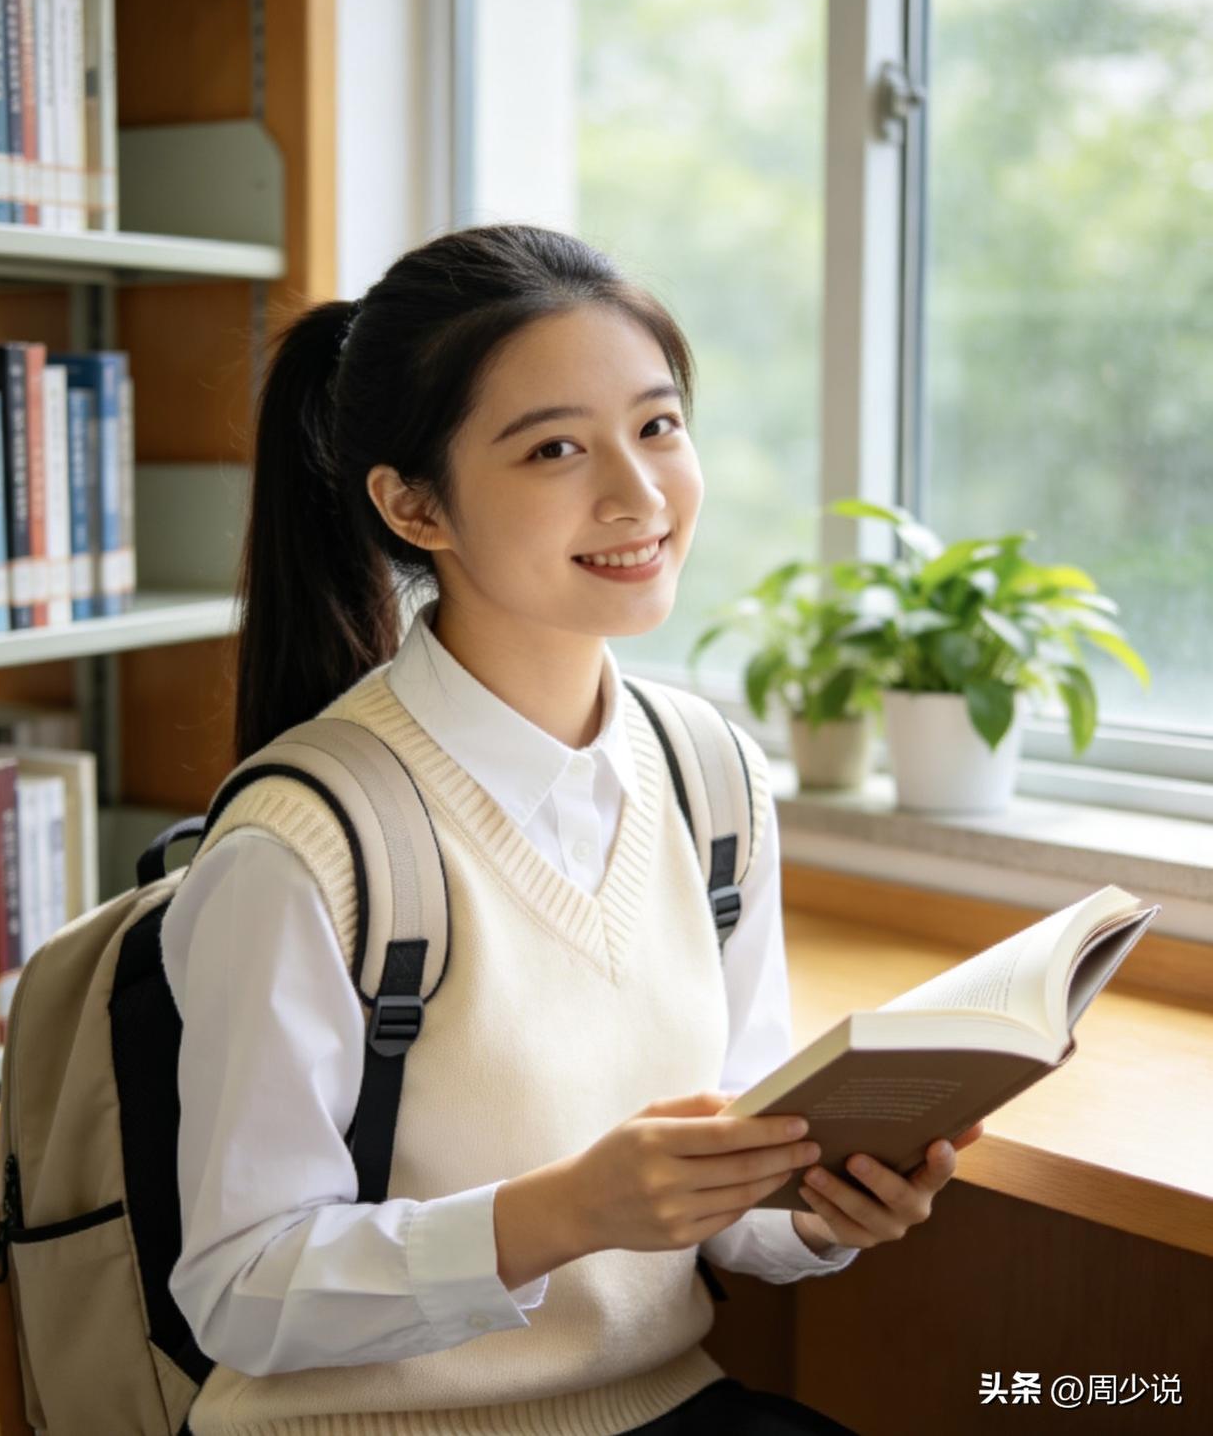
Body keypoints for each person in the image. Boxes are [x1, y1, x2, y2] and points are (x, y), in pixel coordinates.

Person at [161, 222, 983, 1436]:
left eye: (656, 425)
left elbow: (731, 1167)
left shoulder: (711, 777)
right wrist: (560, 1212)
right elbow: (237, 1290)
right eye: (554, 447)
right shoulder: (305, 845)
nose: (639, 495)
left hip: (660, 1406)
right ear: (411, 504)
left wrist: (815, 1210)